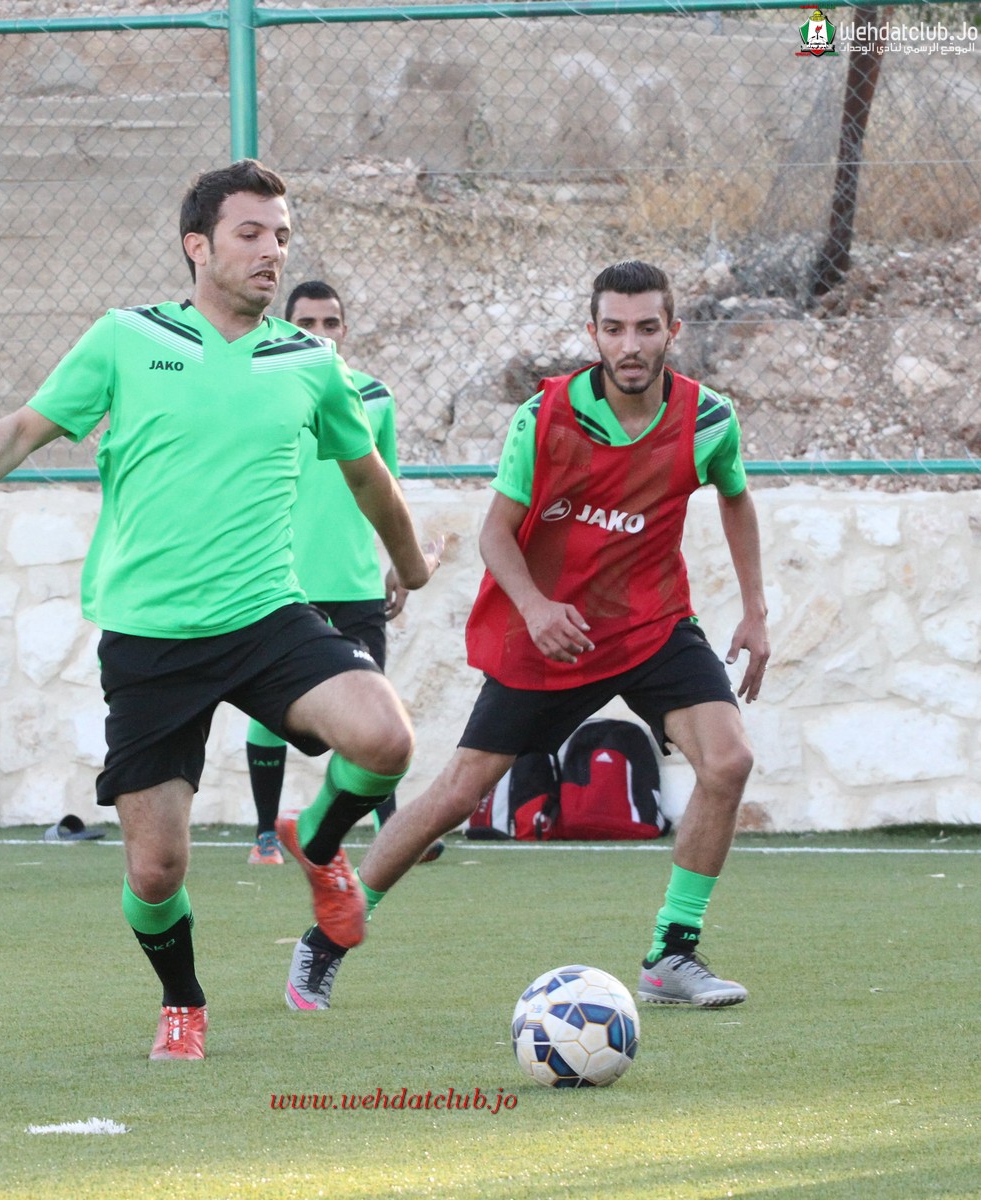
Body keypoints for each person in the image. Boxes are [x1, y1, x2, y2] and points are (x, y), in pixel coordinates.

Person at [0, 159, 438, 1060]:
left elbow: (369, 476)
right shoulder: (126, 338)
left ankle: (321, 846)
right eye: (250, 234)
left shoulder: (308, 362)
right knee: (156, 868)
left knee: (384, 738)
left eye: (281, 236)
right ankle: (182, 1000)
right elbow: (25, 428)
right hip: (151, 639)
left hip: (265, 616)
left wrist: (410, 568)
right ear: (197, 246)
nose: (271, 252)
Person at [288, 259, 771, 1012]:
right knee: (459, 791)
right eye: (614, 329)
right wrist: (537, 609)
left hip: (651, 625)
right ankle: (328, 937)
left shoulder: (708, 419)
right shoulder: (544, 417)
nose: (631, 345)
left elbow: (735, 497)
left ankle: (671, 953)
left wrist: (755, 610)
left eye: (646, 328)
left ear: (672, 331)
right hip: (550, 636)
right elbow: (496, 534)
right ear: (593, 334)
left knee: (729, 759)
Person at [244, 280, 445, 870]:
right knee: (270, 713)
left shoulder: (374, 395)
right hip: (282, 583)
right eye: (306, 323)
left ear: (345, 330)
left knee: (374, 709)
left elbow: (386, 485)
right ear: (283, 328)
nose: (320, 334)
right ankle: (265, 836)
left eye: (330, 323)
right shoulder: (261, 391)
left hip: (356, 583)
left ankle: (390, 829)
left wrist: (402, 563)